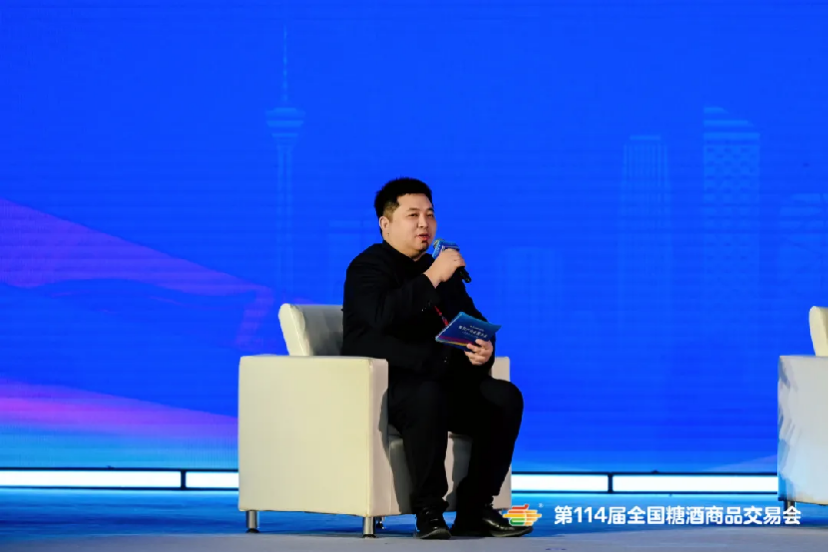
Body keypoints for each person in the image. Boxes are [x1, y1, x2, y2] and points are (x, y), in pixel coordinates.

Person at [341, 177, 530, 540]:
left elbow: (472, 320)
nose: (424, 224)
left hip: (445, 379)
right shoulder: (368, 267)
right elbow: (382, 317)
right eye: (412, 215)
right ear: (385, 223)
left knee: (505, 398)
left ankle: (476, 508)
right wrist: (431, 278)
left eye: (429, 214)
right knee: (427, 395)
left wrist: (483, 349)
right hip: (394, 385)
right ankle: (429, 510)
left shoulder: (441, 270)